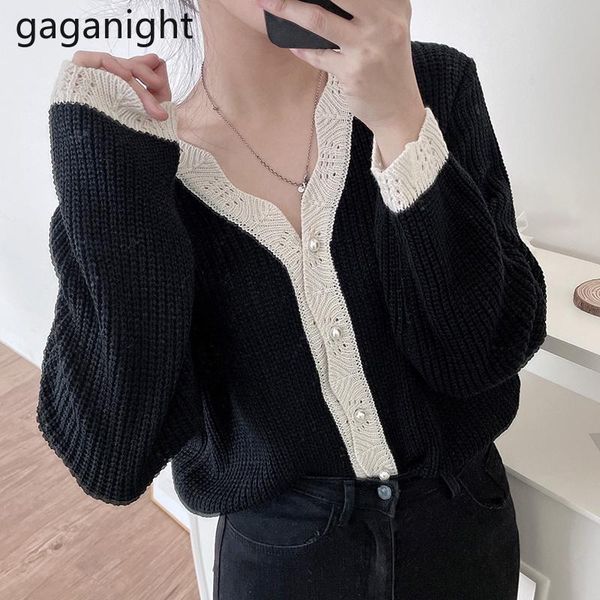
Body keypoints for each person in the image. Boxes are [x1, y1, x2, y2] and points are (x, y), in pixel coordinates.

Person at [36, 0, 547, 598]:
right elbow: (111, 458)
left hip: (461, 532)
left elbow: (485, 354)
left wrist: (400, 123)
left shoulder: (432, 86)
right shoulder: (140, 171)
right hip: (279, 558)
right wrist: (100, 162)